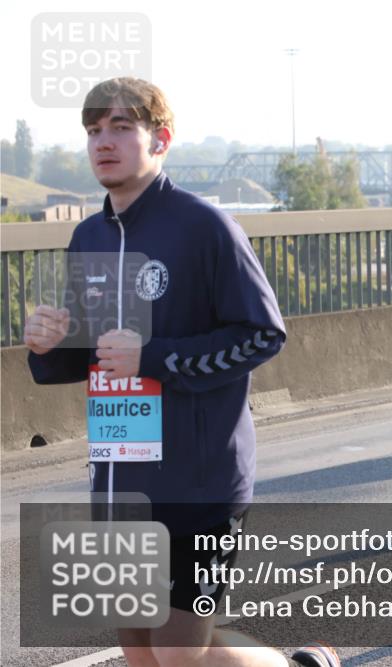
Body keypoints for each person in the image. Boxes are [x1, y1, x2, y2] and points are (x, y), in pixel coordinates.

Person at [22, 78, 336, 667]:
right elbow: (87, 354)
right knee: (140, 647)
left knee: (178, 653)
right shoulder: (87, 236)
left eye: (121, 127)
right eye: (94, 130)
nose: (103, 142)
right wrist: (47, 345)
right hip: (119, 479)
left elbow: (263, 334)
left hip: (201, 480)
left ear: (160, 139)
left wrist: (155, 357)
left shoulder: (205, 226)